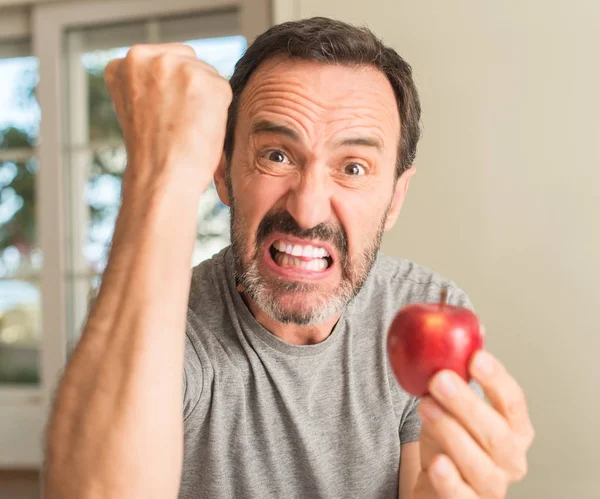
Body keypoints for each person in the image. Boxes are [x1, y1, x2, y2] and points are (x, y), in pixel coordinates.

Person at [42, 17, 534, 499]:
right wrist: (160, 176)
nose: (307, 208)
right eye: (276, 155)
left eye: (353, 167)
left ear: (395, 199)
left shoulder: (421, 308)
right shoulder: (168, 324)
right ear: (222, 173)